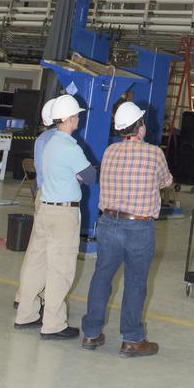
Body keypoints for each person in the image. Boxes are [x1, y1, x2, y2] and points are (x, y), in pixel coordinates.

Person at [81, 100, 173, 358]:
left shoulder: (110, 151)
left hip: (109, 224)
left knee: (102, 278)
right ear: (140, 127)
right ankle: (132, 339)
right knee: (135, 282)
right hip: (138, 227)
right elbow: (167, 181)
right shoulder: (154, 153)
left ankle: (91, 333)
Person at [14, 93, 96, 340]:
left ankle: (26, 314)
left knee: (36, 264)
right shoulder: (69, 147)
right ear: (70, 119)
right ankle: (53, 324)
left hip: (46, 208)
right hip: (63, 214)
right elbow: (90, 176)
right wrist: (80, 174)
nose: (78, 120)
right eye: (77, 116)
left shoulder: (48, 143)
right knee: (60, 269)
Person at [14, 97, 58, 308]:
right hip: (53, 198)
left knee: (35, 251)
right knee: (48, 255)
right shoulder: (56, 140)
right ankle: (35, 298)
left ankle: (23, 295)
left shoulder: (42, 138)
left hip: (42, 194)